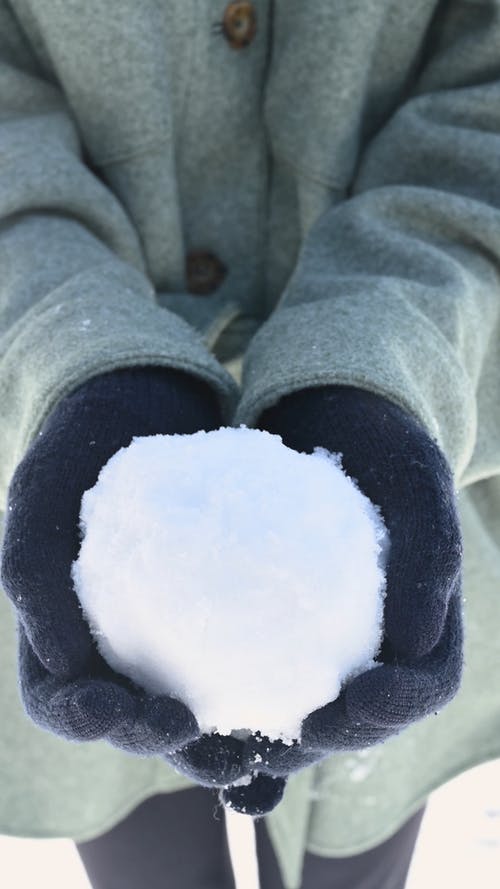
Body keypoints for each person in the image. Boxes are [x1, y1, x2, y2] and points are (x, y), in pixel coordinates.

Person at [0, 2, 499, 888]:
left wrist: (383, 356)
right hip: (73, 488)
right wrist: (62, 344)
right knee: (144, 847)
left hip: (412, 438)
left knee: (354, 829)